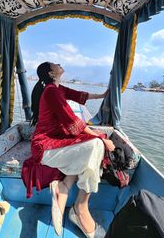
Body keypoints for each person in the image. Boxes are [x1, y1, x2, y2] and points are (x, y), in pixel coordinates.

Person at [21, 62, 115, 238]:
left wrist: (103, 95)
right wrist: (101, 137)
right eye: (55, 64)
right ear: (51, 72)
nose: (59, 64)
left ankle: (65, 186)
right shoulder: (51, 92)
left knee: (92, 145)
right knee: (96, 144)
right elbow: (72, 121)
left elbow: (78, 95)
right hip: (44, 147)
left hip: (56, 141)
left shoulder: (57, 88)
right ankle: (80, 207)